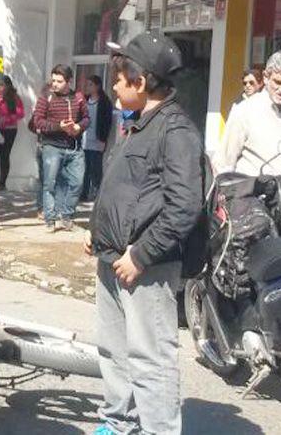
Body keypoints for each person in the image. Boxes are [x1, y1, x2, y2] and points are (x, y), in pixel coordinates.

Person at [84, 31, 202, 435]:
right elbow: (123, 187)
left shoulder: (176, 131)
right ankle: (118, 424)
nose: (115, 84)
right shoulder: (134, 123)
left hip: (145, 265)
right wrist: (96, 231)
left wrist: (142, 254)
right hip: (112, 257)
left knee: (151, 358)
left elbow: (184, 206)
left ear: (142, 80)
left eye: (121, 76)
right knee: (114, 351)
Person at [214, 50, 281, 176]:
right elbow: (224, 162)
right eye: (277, 82)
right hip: (252, 191)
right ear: (266, 77)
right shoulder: (244, 110)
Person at [32, 65, 88, 232]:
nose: (54, 84)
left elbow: (86, 118)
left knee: (77, 182)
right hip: (52, 147)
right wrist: (59, 127)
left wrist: (78, 127)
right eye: (53, 80)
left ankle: (67, 216)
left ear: (69, 82)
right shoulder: (46, 97)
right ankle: (50, 218)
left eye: (59, 81)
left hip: (74, 147)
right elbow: (38, 121)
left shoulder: (78, 97)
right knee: (50, 184)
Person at [0, 75, 24, 190]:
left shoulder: (14, 98)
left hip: (9, 130)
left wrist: (7, 118)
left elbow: (20, 113)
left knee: (4, 156)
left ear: (8, 86)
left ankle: (2, 183)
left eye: (1, 85)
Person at [80, 75, 112, 201]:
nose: (88, 87)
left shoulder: (104, 102)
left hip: (98, 139)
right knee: (85, 168)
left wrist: (103, 139)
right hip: (85, 138)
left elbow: (107, 122)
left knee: (96, 168)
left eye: (90, 84)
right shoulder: (85, 100)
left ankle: (98, 194)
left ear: (97, 86)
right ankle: (84, 193)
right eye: (87, 84)